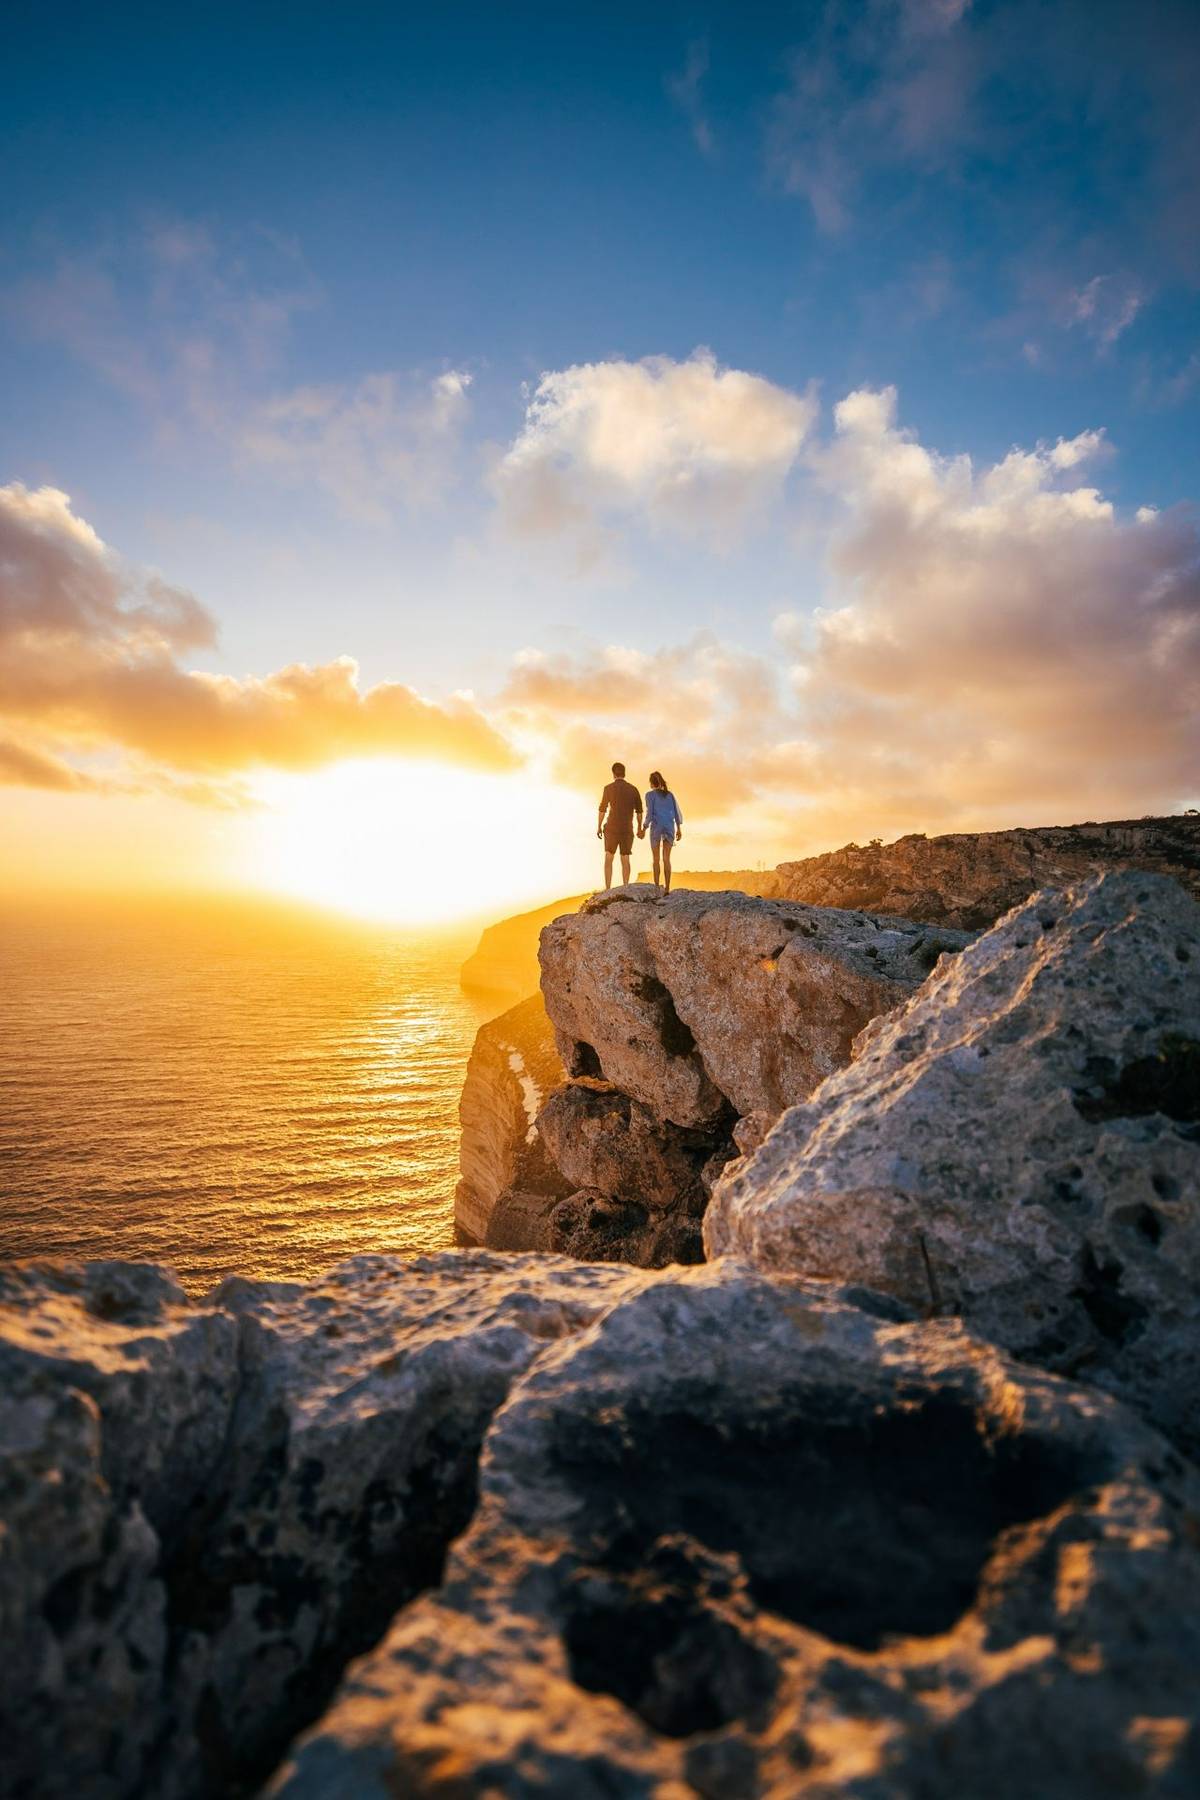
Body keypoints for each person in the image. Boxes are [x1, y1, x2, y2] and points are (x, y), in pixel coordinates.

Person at [597, 761, 643, 889]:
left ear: (613, 774)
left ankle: (607, 888)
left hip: (611, 828)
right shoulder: (633, 789)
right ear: (624, 773)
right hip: (627, 828)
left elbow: (602, 809)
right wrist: (639, 827)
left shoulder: (608, 788)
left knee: (608, 857)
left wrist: (599, 826)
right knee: (625, 858)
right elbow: (639, 811)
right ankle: (626, 887)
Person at [639, 770, 682, 895]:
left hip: (656, 827)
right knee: (667, 859)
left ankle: (657, 887)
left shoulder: (649, 795)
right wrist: (679, 829)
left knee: (656, 859)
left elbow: (650, 814)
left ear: (651, 783)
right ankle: (667, 888)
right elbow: (676, 812)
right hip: (669, 827)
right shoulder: (670, 795)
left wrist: (644, 828)